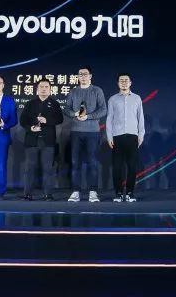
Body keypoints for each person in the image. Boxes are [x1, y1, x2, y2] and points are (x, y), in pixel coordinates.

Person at [64, 66, 107, 202]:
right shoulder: (73, 91)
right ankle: (75, 192)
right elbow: (66, 109)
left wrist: (88, 116)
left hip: (92, 132)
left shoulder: (97, 90)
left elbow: (103, 110)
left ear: (90, 76)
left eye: (85, 74)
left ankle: (93, 192)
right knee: (75, 162)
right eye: (80, 74)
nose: (82, 76)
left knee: (92, 162)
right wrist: (74, 114)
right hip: (76, 131)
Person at [19, 79, 64, 200]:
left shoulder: (54, 104)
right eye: (41, 87)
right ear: (37, 89)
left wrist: (47, 120)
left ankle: (48, 194)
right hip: (32, 140)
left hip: (48, 141)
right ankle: (27, 194)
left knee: (48, 168)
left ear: (50, 89)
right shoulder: (30, 103)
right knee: (29, 168)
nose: (44, 89)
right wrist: (31, 128)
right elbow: (22, 121)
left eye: (46, 87)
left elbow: (60, 119)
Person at [106, 73, 145, 202]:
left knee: (132, 167)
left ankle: (129, 193)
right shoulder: (112, 99)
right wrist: (109, 136)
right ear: (118, 83)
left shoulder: (137, 98)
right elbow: (109, 119)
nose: (124, 82)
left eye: (126, 80)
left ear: (130, 83)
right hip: (117, 136)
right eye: (121, 80)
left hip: (133, 136)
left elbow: (140, 118)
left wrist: (141, 134)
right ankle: (118, 193)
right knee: (117, 167)